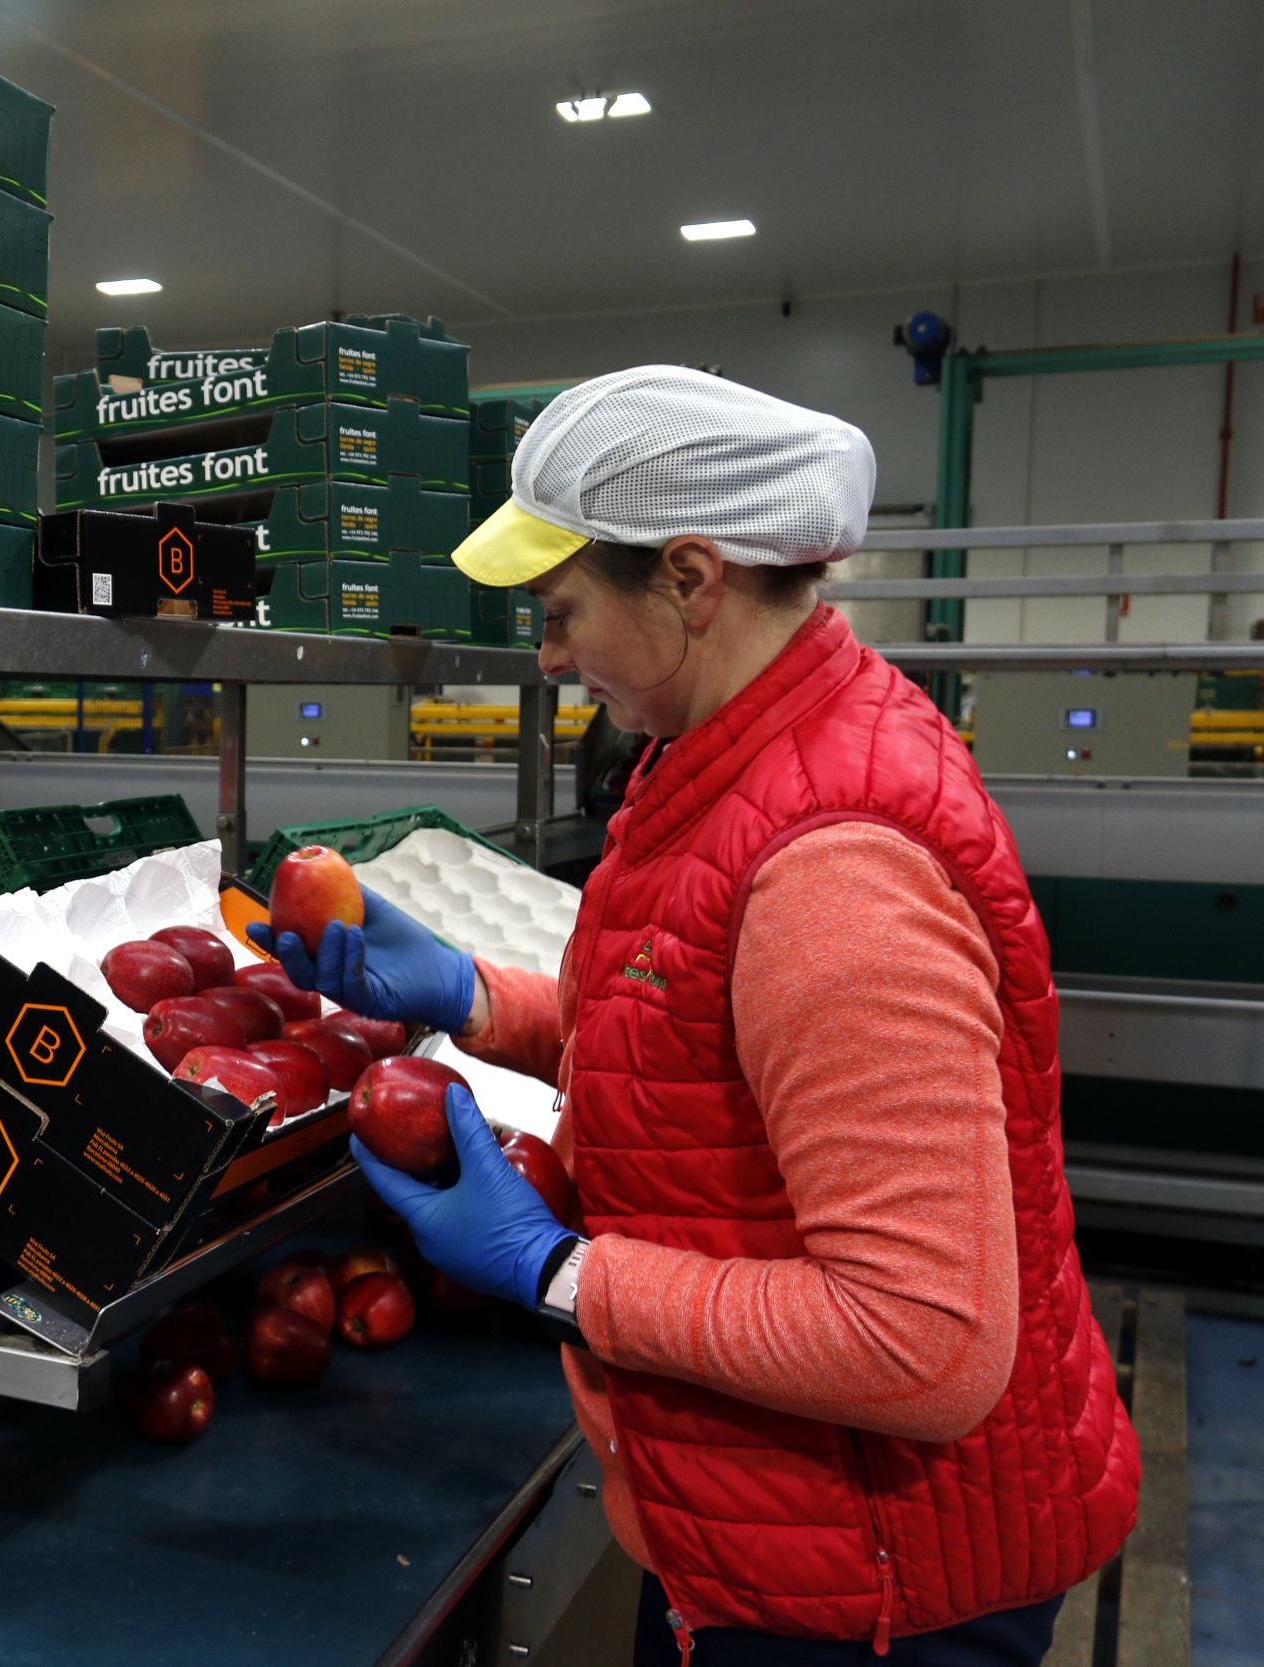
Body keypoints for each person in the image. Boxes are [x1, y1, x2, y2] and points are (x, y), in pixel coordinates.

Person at [253, 367, 1138, 1665]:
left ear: (689, 576)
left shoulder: (836, 865)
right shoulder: (733, 763)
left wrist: (564, 1271)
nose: (546, 657)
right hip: (778, 1528)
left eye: (561, 613)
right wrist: (474, 996)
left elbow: (924, 1341)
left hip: (876, 1592)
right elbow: (714, 1037)